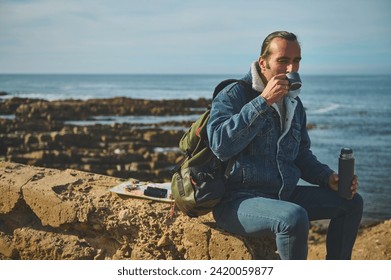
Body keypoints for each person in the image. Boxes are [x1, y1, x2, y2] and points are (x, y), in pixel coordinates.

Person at [206, 31, 363, 260]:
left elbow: (300, 154)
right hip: (236, 201)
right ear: (263, 62)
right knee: (293, 217)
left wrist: (327, 177)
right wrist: (263, 102)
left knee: (351, 203)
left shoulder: (293, 102)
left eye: (296, 60)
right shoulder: (233, 94)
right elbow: (220, 145)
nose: (291, 68)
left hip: (282, 195)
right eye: (283, 61)